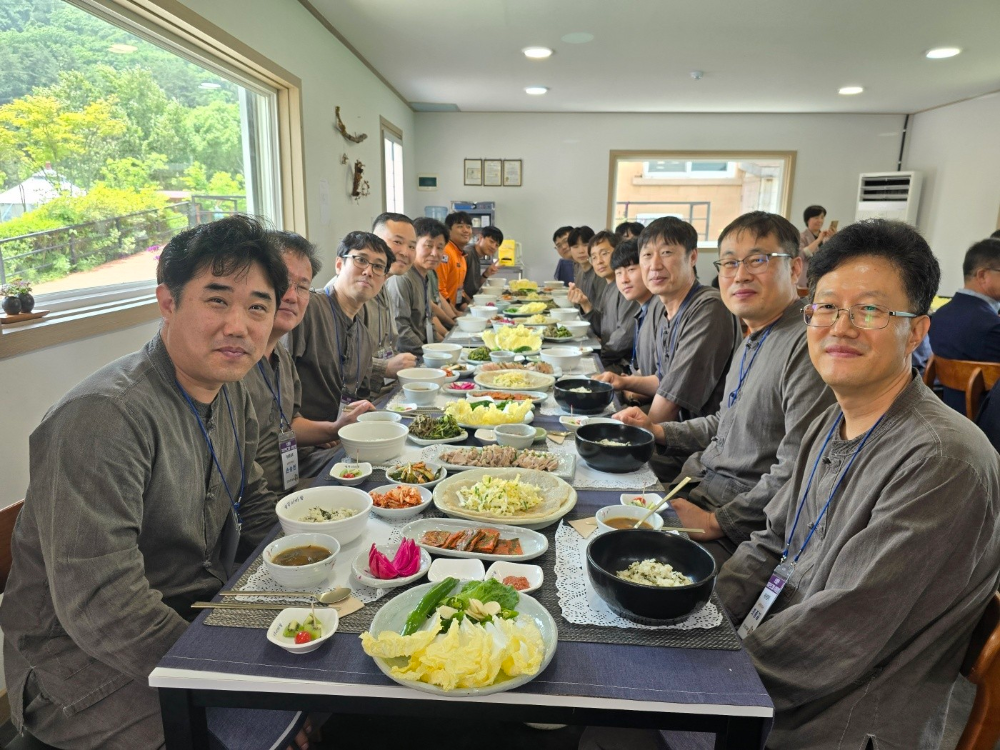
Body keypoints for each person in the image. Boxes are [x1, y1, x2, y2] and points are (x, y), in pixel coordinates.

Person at [0, 215, 314, 749]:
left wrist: (314, 565)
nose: (238, 325)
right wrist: (228, 673)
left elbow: (255, 504)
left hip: (191, 610)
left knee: (331, 663)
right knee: (279, 707)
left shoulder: (232, 388)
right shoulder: (104, 418)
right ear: (167, 302)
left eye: (257, 306)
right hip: (83, 670)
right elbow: (102, 607)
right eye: (217, 300)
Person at [717, 219, 1000, 749]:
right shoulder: (834, 418)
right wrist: (700, 621)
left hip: (831, 720)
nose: (840, 327)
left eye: (869, 310)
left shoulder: (942, 459)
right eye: (826, 307)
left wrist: (703, 676)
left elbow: (843, 628)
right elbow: (771, 542)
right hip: (767, 674)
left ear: (916, 330)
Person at [614, 212, 835, 563]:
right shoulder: (753, 336)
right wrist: (656, 429)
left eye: (758, 260)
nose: (740, 274)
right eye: (730, 263)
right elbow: (724, 423)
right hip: (697, 486)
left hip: (735, 524)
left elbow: (799, 468)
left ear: (795, 269)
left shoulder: (808, 345)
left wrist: (717, 522)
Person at [245, 232, 373, 492]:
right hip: (266, 498)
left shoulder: (279, 355)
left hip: (294, 475)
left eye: (302, 286)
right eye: (281, 282)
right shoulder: (234, 363)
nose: (291, 296)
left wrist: (336, 428)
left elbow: (290, 422)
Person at [594, 217, 739, 426]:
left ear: (692, 257)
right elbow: (664, 380)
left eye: (666, 253)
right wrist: (623, 382)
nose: (654, 265)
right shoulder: (665, 308)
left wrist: (640, 435)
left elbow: (672, 399)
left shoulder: (709, 307)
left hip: (698, 439)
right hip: (673, 429)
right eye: (647, 255)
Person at [285, 232, 391, 472]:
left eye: (378, 267)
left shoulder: (363, 335)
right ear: (339, 264)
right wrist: (327, 428)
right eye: (361, 260)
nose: (368, 271)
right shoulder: (307, 310)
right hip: (298, 452)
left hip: (339, 444)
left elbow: (359, 399)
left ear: (384, 279)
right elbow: (277, 405)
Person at [927, 237, 1000, 412]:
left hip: (948, 416)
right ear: (982, 275)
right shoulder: (991, 327)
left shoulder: (940, 316)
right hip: (985, 427)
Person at [365, 212, 419, 393]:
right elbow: (337, 361)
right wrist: (385, 367)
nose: (405, 252)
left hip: (385, 389)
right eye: (397, 242)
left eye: (412, 246)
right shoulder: (356, 288)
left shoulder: (385, 285)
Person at [386, 217, 446, 354]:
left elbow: (428, 320)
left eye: (440, 247)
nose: (435, 253)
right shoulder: (401, 278)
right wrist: (431, 353)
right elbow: (400, 329)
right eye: (428, 246)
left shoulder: (426, 276)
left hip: (423, 352)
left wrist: (442, 347)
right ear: (414, 246)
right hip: (407, 358)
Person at [570, 229, 618, 331]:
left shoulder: (622, 286)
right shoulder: (609, 284)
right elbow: (602, 327)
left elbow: (623, 335)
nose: (599, 261)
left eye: (604, 253)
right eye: (594, 257)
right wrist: (585, 303)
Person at [438, 211, 472, 309]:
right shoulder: (445, 252)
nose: (466, 230)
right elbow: (440, 290)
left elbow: (459, 290)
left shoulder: (461, 255)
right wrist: (454, 315)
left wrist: (468, 309)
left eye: (468, 227)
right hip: (442, 314)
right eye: (460, 226)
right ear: (448, 231)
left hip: (452, 310)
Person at [797, 204, 835, 287]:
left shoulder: (826, 238)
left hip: (823, 278)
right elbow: (801, 255)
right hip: (805, 279)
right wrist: (818, 240)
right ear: (808, 220)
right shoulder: (801, 236)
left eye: (822, 217)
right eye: (816, 218)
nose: (820, 221)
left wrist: (834, 238)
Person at [463, 224, 503, 299]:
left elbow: (474, 287)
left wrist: (486, 274)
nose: (493, 247)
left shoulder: (477, 255)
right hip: (461, 306)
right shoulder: (467, 253)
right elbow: (458, 289)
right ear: (480, 238)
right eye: (491, 241)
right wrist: (471, 305)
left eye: (497, 245)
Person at [568, 225, 600, 309]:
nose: (581, 251)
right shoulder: (579, 270)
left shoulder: (600, 273)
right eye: (575, 247)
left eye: (585, 245)